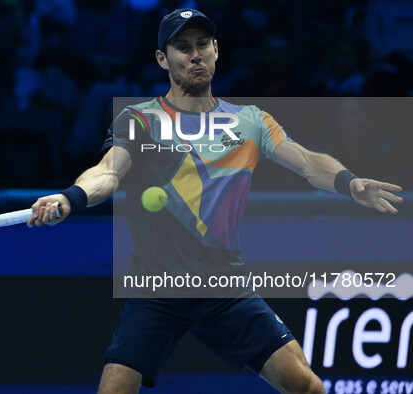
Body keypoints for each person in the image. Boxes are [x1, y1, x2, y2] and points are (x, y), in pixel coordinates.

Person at [27, 9, 403, 393]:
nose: (195, 55)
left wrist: (351, 183)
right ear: (162, 59)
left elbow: (306, 161)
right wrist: (70, 197)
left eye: (202, 44)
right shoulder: (140, 120)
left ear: (216, 50)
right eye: (182, 47)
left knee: (307, 387)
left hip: (225, 287)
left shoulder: (250, 121)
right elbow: (108, 172)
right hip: (157, 290)